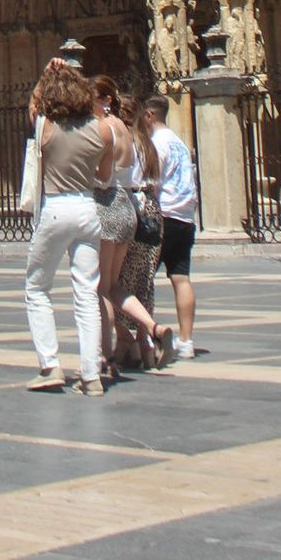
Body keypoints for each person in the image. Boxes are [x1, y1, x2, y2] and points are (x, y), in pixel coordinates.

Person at [23, 60, 107, 393]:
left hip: (55, 209)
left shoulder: (45, 125)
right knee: (86, 293)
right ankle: (91, 375)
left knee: (37, 287)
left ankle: (50, 365)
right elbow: (104, 172)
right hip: (87, 208)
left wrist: (45, 74)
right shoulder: (98, 128)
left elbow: (32, 104)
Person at [112, 99, 174, 372]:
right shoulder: (149, 144)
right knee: (144, 281)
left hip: (132, 209)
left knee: (114, 281)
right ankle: (141, 346)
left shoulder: (124, 141)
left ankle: (140, 336)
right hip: (153, 211)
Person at [89, 75, 139, 372]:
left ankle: (105, 355)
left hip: (107, 208)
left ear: (106, 100)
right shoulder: (125, 128)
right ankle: (148, 330)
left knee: (102, 289)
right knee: (114, 284)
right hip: (128, 208)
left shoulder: (103, 128)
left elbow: (103, 177)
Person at [143, 94, 198, 360]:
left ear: (150, 116)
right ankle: (186, 341)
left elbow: (151, 183)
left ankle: (145, 336)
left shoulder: (156, 144)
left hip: (164, 216)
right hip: (186, 217)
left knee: (143, 278)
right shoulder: (180, 143)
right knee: (181, 277)